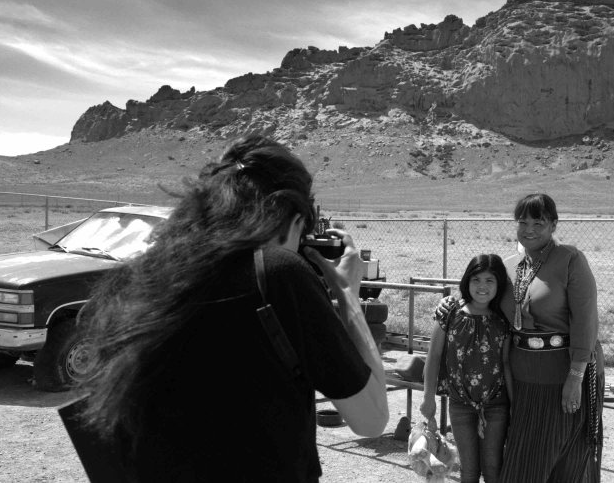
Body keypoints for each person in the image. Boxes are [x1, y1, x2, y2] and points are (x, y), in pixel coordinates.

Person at [71, 134, 388, 482]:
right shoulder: (278, 273)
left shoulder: (136, 278)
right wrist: (348, 295)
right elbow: (371, 419)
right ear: (293, 218)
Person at [436, 193, 604, 483]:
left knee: (563, 458)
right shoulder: (510, 264)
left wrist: (575, 377)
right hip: (521, 380)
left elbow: (586, 321)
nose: (529, 229)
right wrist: (451, 302)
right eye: (522, 222)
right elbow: (481, 291)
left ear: (553, 224)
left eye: (538, 222)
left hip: (563, 375)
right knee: (523, 457)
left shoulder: (570, 260)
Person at [420, 254, 513, 483]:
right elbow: (434, 356)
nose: (482, 286)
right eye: (476, 279)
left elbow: (507, 364)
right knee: (469, 470)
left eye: (489, 280)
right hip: (460, 404)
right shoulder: (450, 313)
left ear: (499, 284)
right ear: (466, 281)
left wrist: (515, 404)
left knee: (493, 468)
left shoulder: (504, 319)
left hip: (496, 405)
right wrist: (428, 398)